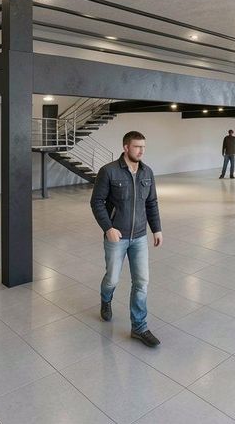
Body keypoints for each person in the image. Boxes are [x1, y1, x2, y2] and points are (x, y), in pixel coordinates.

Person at [90, 131, 163, 347]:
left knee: (141, 282)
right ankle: (106, 299)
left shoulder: (147, 172)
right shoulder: (109, 171)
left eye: (143, 147)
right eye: (137, 147)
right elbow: (96, 202)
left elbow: (151, 203)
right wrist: (108, 228)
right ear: (126, 147)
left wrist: (156, 229)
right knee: (112, 279)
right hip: (117, 236)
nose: (141, 151)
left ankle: (139, 327)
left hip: (139, 236)